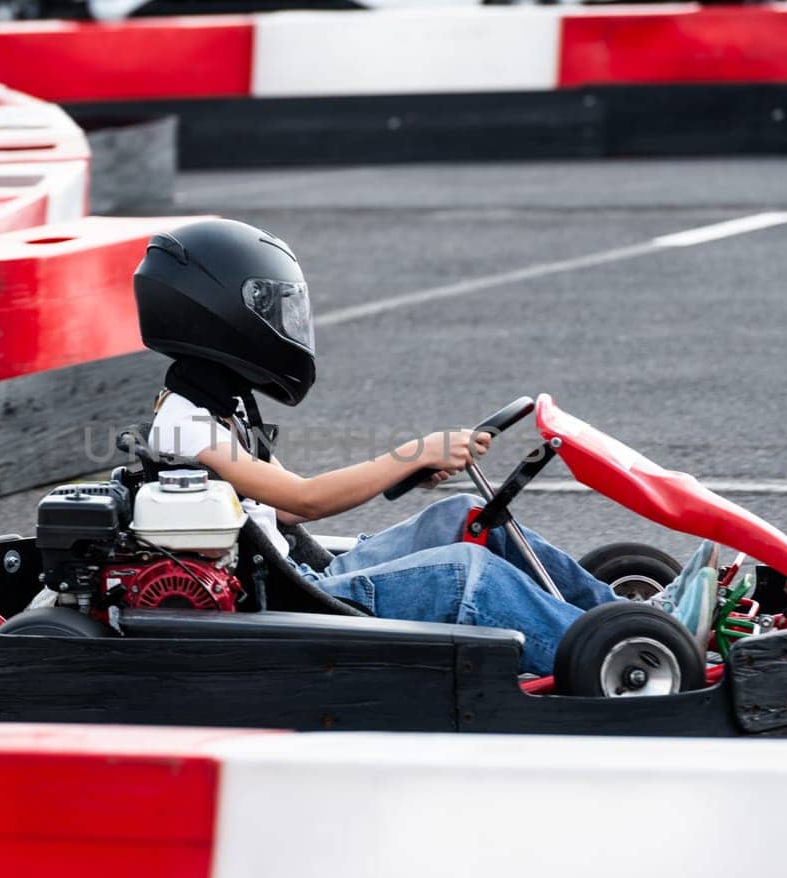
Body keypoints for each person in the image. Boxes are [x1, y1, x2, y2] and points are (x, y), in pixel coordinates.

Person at [134, 218, 718, 676]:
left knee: (465, 521)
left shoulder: (221, 404)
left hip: (299, 573)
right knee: (466, 576)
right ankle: (623, 647)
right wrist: (413, 453)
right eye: (269, 309)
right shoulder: (185, 427)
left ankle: (638, 618)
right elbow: (304, 500)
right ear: (216, 316)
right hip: (294, 604)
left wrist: (405, 472)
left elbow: (282, 511)